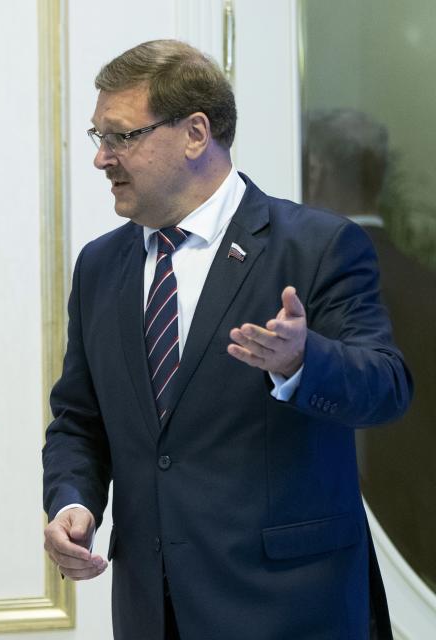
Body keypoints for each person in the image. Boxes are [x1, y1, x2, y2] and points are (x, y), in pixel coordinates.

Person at [41, 40, 411, 640]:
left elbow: (388, 388)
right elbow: (79, 421)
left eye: (121, 137)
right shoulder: (100, 266)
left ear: (195, 133)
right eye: (97, 138)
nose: (102, 159)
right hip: (152, 612)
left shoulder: (317, 246)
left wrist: (301, 362)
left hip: (292, 609)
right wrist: (72, 502)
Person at [304, 108, 436, 590]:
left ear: (314, 168)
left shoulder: (307, 288)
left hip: (323, 539)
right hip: (422, 531)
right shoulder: (427, 285)